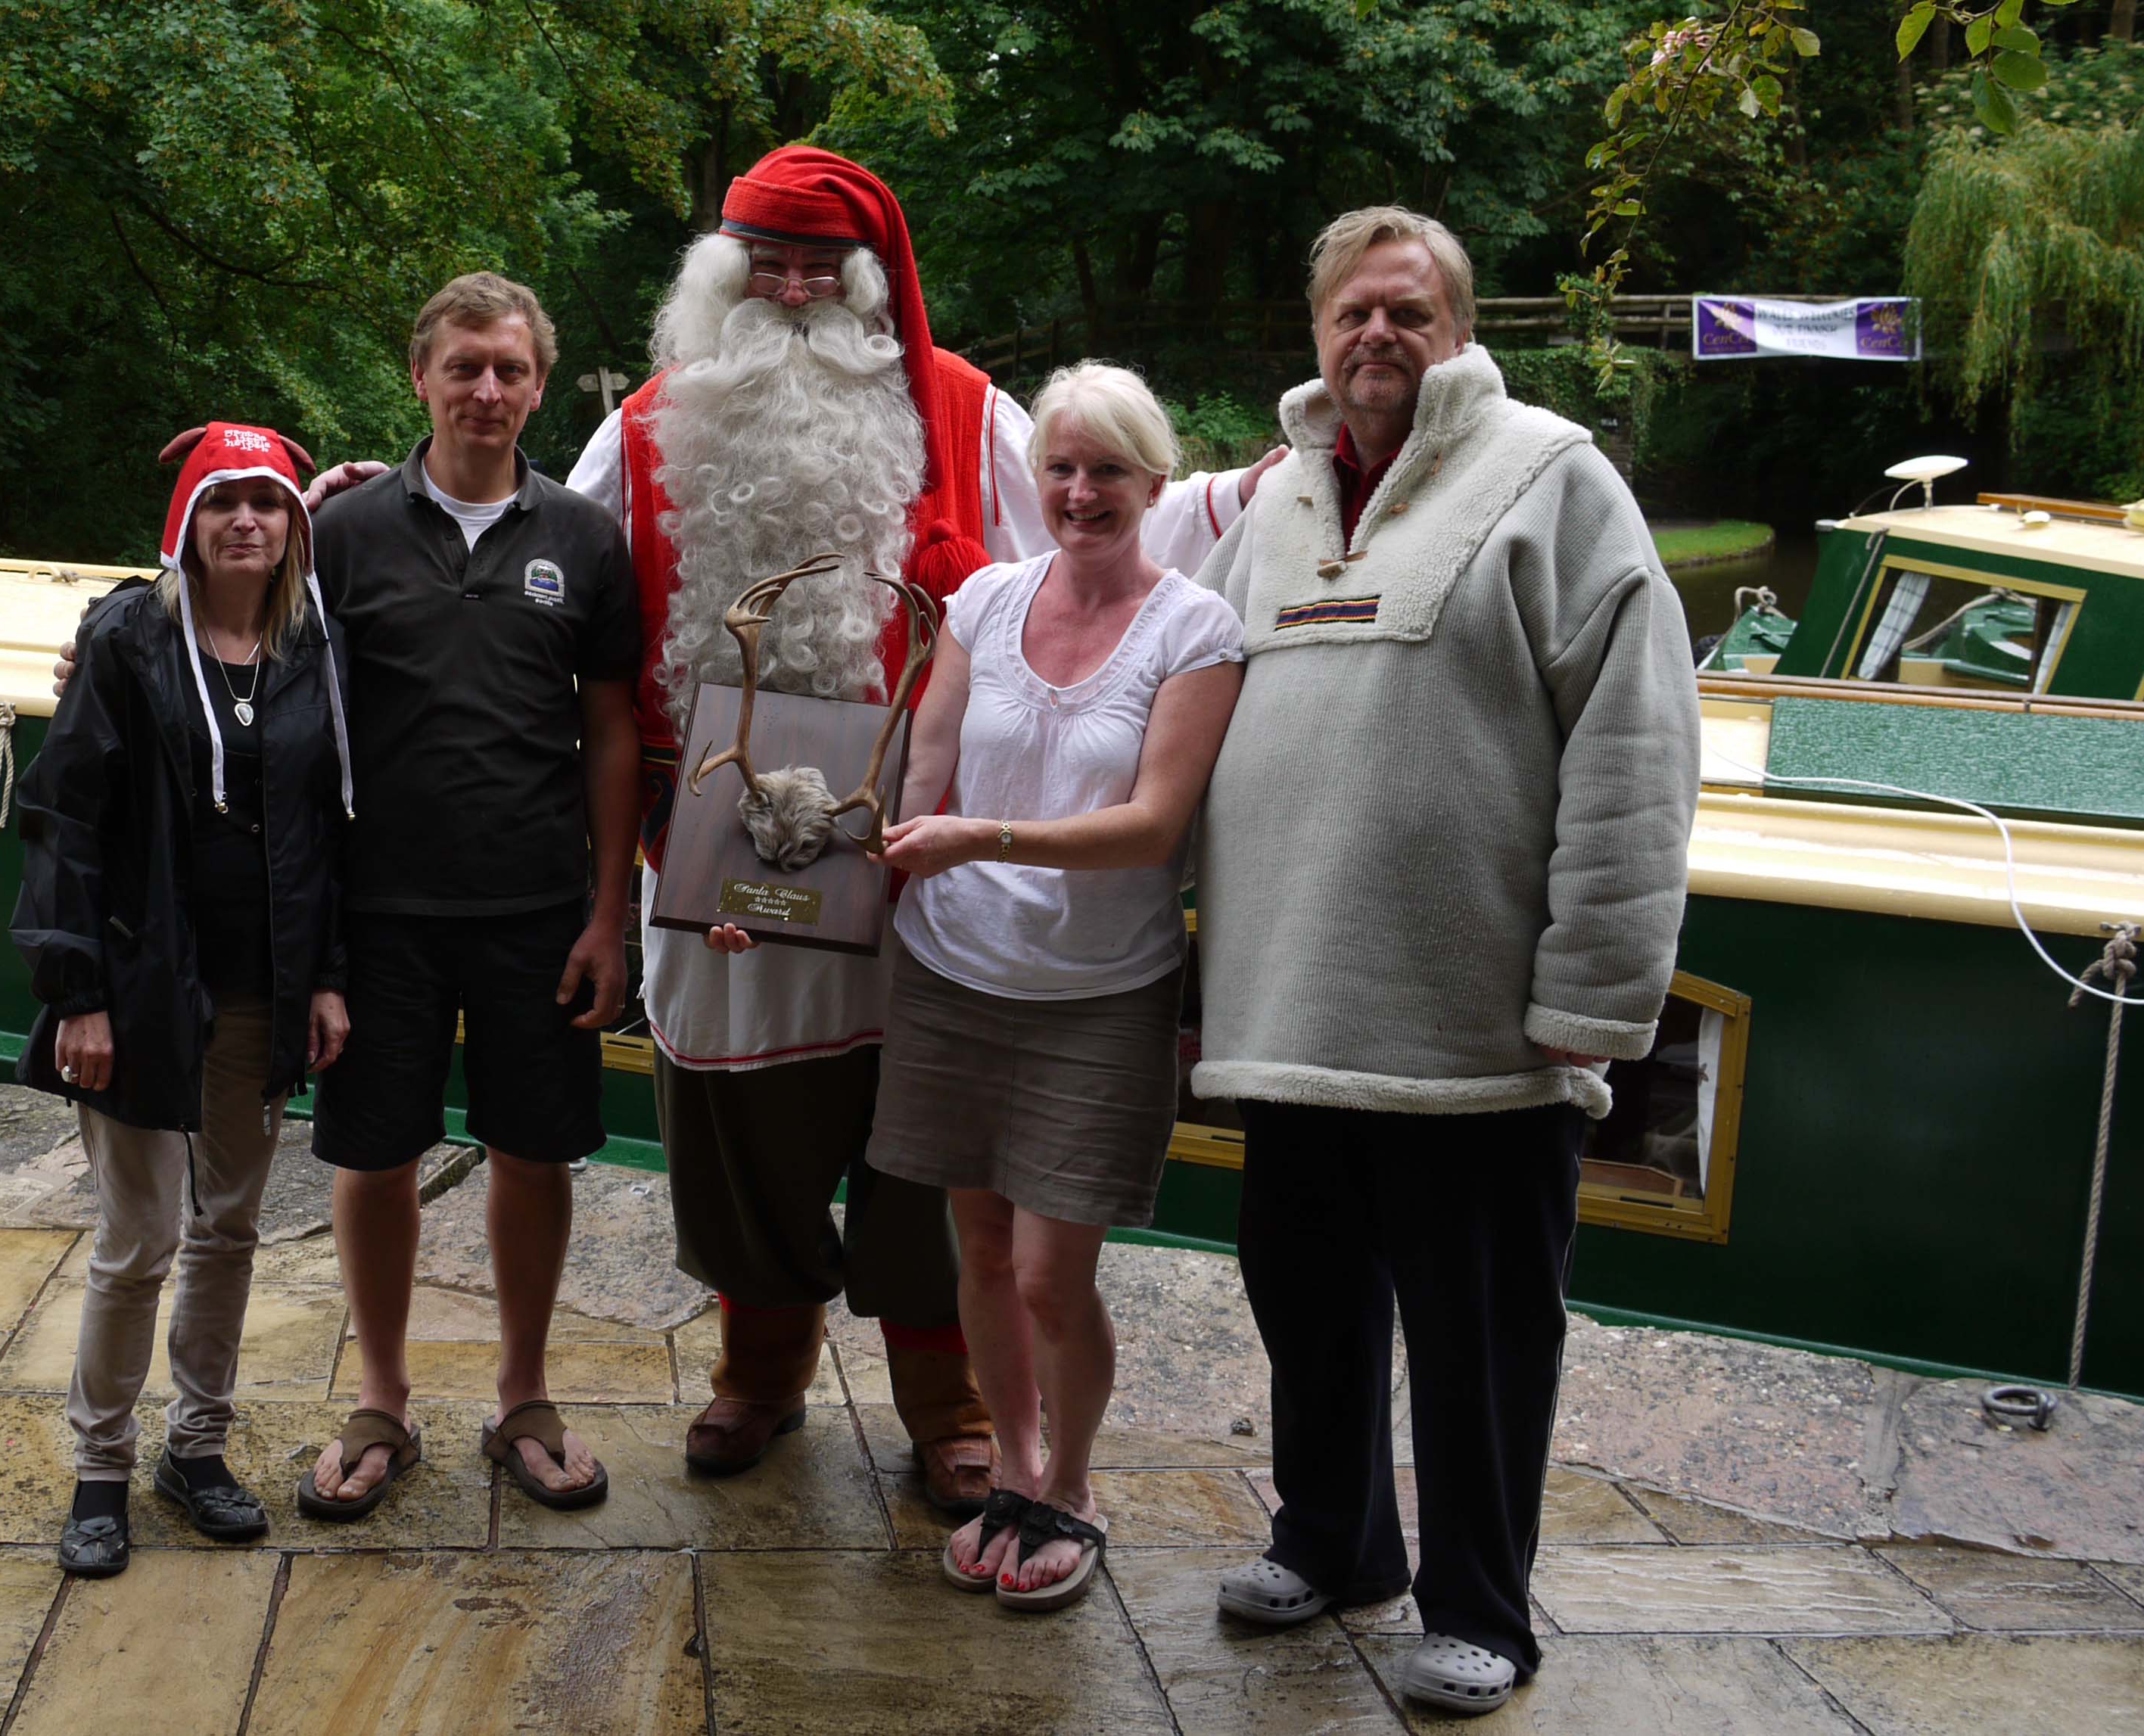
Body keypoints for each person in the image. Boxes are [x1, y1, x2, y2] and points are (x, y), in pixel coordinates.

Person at [553, 146, 1278, 1511]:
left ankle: (944, 1399)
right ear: (722, 273)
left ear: (871, 279)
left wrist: (1264, 496)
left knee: (927, 1140)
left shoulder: (960, 410)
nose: (789, 288)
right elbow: (542, 573)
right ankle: (759, 1371)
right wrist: (387, 516)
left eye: (818, 266)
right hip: (716, 872)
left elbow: (1108, 528)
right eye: (764, 263)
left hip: (914, 872)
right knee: (737, 1133)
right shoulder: (648, 424)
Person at [1189, 207, 1701, 1715]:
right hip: (1284, 1013)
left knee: (1481, 1344)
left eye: (1409, 312)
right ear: (1313, 329)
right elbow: (1186, 720)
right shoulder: (1269, 508)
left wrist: (1591, 999)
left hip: (1477, 1035)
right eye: (1352, 311)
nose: (1377, 337)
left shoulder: (1555, 483)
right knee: (1307, 1305)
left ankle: (1480, 1607)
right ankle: (1333, 1542)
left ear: (1458, 330)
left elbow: (1636, 750)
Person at [867, 362, 1244, 1611]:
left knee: (1048, 1272)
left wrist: (981, 839)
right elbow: (924, 766)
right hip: (953, 970)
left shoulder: (1196, 629)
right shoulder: (981, 598)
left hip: (1095, 990)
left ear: (1154, 481)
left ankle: (1075, 1485)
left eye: (1108, 472)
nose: (1081, 492)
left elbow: (1152, 828)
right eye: (1062, 469)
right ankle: (1014, 1471)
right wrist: (812, 902)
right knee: (978, 1246)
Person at [294, 272, 640, 1518]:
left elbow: (612, 734)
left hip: (537, 907)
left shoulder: (586, 541)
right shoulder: (338, 536)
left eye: (509, 369)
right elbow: (238, 655)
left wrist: (610, 914)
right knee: (374, 1153)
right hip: (377, 909)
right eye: (464, 366)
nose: (486, 390)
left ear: (539, 384)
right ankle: (382, 1398)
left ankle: (523, 1396)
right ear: (420, 376)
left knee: (531, 1149)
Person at [13, 422, 355, 1578]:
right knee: (138, 1237)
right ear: (188, 524)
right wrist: (79, 996)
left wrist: (326, 975)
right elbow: (66, 819)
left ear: (294, 525)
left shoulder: (313, 649)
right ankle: (100, 1465)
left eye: (268, 502)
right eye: (223, 501)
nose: (246, 521)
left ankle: (195, 1447)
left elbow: (325, 830)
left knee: (230, 1229)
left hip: (262, 989)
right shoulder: (126, 638)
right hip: (142, 984)